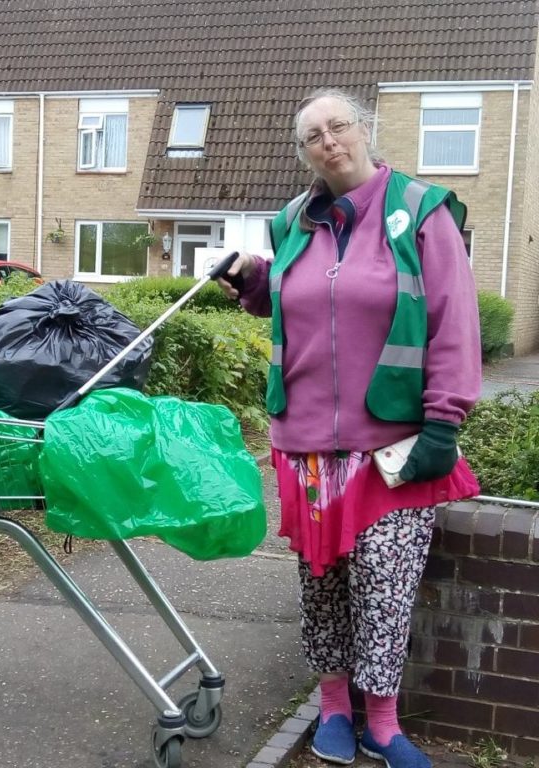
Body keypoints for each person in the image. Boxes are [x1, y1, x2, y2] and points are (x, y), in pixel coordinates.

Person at [218, 87, 481, 768]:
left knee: (386, 587)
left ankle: (384, 724)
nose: (328, 142)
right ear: (303, 151)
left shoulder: (421, 213)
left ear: (366, 130)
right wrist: (254, 281)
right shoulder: (292, 223)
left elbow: (454, 320)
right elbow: (302, 298)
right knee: (321, 582)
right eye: (312, 136)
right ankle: (334, 708)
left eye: (338, 127)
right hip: (304, 445)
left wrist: (444, 421)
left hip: (389, 443)